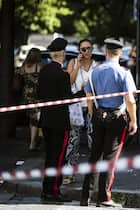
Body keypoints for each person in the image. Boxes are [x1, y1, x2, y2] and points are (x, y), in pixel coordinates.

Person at [80, 38, 137, 207]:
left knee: (94, 156)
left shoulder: (94, 72)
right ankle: (104, 197)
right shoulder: (124, 73)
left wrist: (92, 115)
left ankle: (86, 196)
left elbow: (89, 98)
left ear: (106, 52)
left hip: (98, 116)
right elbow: (130, 100)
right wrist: (134, 121)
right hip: (116, 118)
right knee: (109, 158)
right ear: (119, 54)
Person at [37, 38, 75, 202]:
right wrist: (81, 94)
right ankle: (53, 190)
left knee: (49, 156)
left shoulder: (44, 71)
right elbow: (67, 98)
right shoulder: (62, 75)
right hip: (59, 122)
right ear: (63, 54)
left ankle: (47, 189)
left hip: (46, 120)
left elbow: (39, 95)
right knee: (58, 157)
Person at [63, 39, 97, 185]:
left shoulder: (97, 65)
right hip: (76, 107)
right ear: (79, 51)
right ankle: (69, 173)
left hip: (92, 106)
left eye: (89, 48)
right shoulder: (73, 62)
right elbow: (69, 82)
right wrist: (77, 64)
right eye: (83, 49)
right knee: (74, 140)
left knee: (93, 140)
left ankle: (93, 175)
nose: (86, 52)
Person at [17, 48, 44, 150]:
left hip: (27, 95)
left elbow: (18, 73)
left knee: (32, 120)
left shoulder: (24, 67)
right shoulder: (40, 66)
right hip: (38, 95)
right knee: (37, 119)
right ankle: (34, 141)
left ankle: (33, 141)